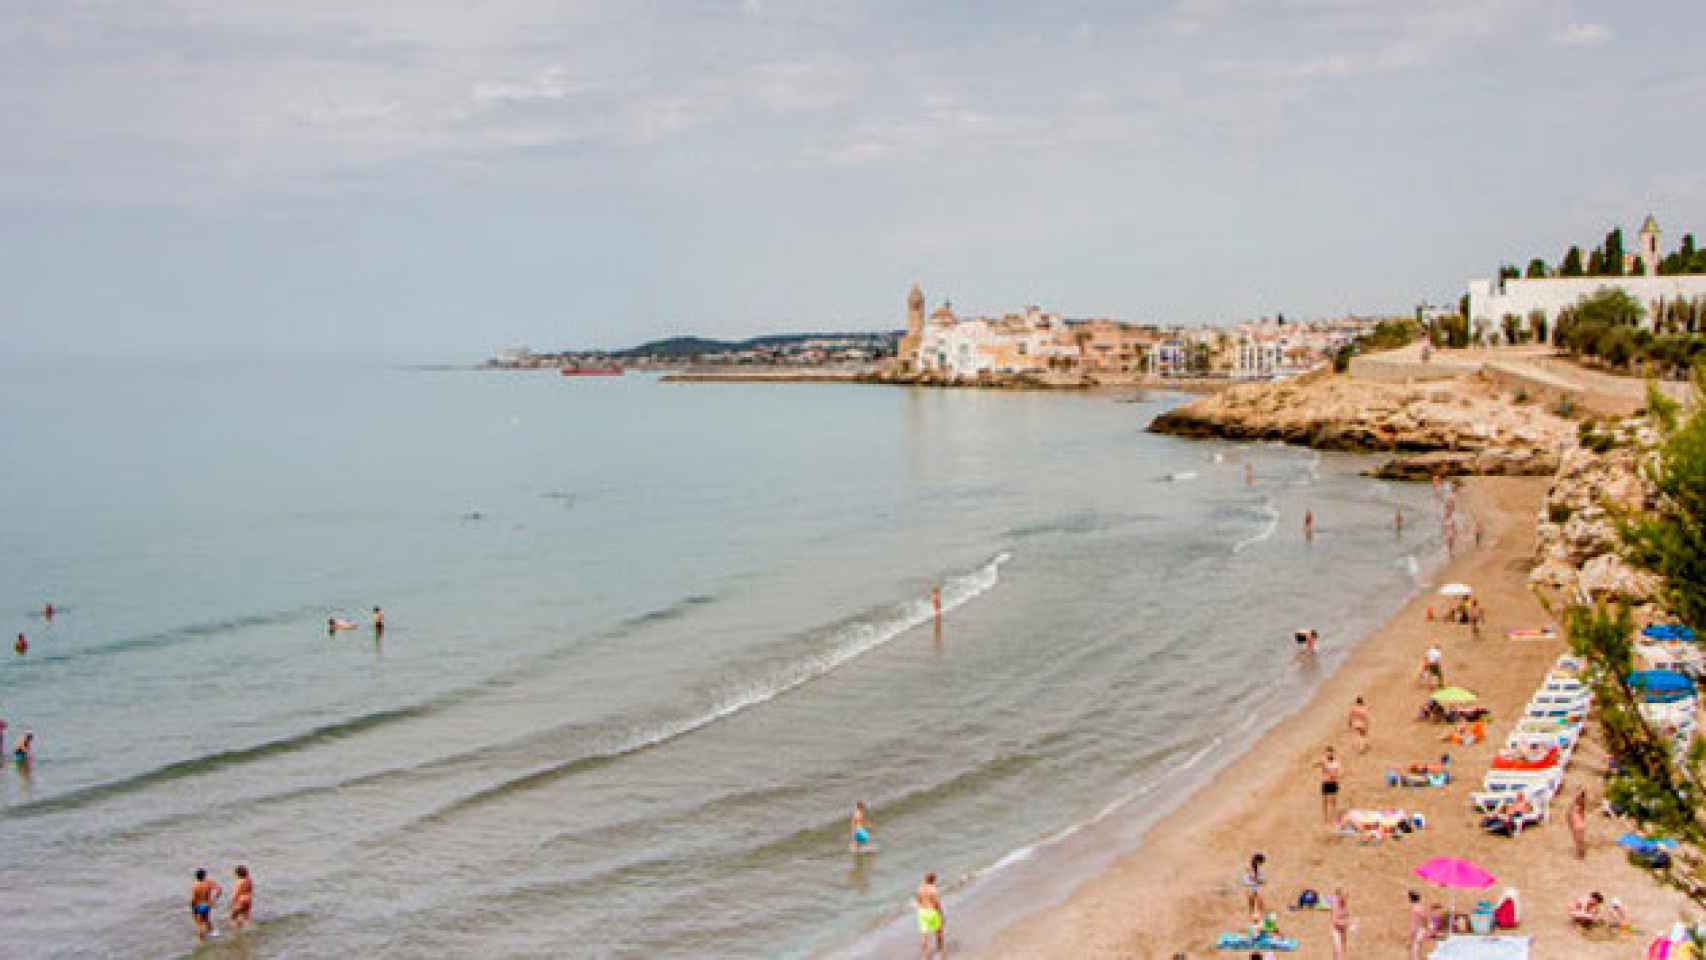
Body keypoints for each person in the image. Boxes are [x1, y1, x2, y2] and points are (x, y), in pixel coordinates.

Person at [915, 871, 945, 959]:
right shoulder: (933, 889)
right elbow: (937, 903)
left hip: (922, 912)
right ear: (934, 879)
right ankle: (940, 951)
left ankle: (924, 956)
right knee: (938, 932)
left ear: (925, 879)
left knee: (924, 934)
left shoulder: (920, 889)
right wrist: (941, 914)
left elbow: (918, 901)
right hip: (932, 912)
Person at [190, 868, 222, 942]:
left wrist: (193, 908)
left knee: (199, 924)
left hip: (199, 905)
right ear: (204, 875)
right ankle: (214, 933)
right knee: (206, 919)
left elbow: (194, 899)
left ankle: (201, 940)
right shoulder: (208, 882)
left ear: (196, 876)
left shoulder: (195, 886)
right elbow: (219, 889)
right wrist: (214, 899)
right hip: (207, 904)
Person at [1316, 747, 1342, 825]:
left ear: (1332, 753)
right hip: (1325, 783)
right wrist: (1320, 763)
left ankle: (1334, 817)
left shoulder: (1336, 763)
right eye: (1327, 752)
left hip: (1333, 783)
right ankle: (1325, 818)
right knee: (1324, 801)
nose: (1329, 754)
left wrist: (1327, 769)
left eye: (1330, 752)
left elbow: (1336, 774)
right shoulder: (1324, 761)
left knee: (1333, 801)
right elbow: (1315, 764)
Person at [1242, 853, 1267, 919]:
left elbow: (1260, 879)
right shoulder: (1249, 866)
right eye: (1260, 862)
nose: (1261, 864)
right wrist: (1259, 880)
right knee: (1251, 898)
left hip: (1256, 885)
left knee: (1260, 899)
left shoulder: (1259, 868)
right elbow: (1252, 877)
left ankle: (1260, 913)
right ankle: (1251, 912)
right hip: (1250, 884)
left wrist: (1259, 880)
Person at [1329, 886, 1351, 960]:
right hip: (1336, 929)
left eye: (1347, 896)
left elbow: (1347, 915)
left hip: (1343, 928)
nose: (1346, 898)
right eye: (1345, 896)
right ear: (1340, 896)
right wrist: (1347, 924)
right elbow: (1335, 921)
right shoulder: (1335, 904)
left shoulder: (1344, 903)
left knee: (1343, 948)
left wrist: (1349, 922)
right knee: (1337, 949)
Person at [229, 865, 253, 930]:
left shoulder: (240, 882)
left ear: (238, 874)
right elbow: (251, 890)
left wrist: (232, 902)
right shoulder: (249, 880)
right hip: (248, 899)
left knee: (233, 916)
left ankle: (237, 930)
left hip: (241, 900)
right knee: (245, 917)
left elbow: (236, 893)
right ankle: (248, 929)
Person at [1568, 789, 1588, 860]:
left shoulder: (1577, 805)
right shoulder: (1579, 806)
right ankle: (1580, 853)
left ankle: (1580, 854)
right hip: (1578, 823)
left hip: (1577, 824)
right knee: (1579, 840)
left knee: (1578, 840)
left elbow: (1569, 815)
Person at [1408, 890, 1428, 960]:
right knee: (1417, 951)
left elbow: (1413, 925)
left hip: (1417, 932)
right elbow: (1426, 919)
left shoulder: (1414, 909)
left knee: (1414, 953)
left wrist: (1410, 938)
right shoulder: (1422, 907)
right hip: (1422, 931)